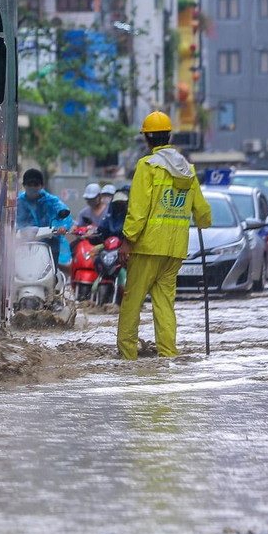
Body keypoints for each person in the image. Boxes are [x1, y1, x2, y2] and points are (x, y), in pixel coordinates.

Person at [116, 111, 212, 361]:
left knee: (131, 303)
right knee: (164, 305)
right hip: (174, 251)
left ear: (147, 139)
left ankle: (127, 358)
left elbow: (137, 210)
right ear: (169, 135)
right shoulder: (187, 170)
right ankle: (169, 356)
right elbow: (203, 213)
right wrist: (202, 221)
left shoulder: (147, 166)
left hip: (147, 247)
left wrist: (127, 241)